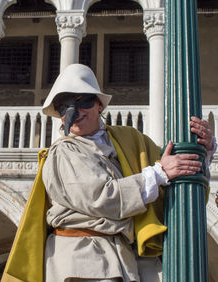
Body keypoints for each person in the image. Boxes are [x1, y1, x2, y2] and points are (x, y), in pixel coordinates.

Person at [39, 64, 216, 282]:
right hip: (82, 259)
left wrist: (202, 151)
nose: (73, 112)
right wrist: (159, 174)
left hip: (123, 257)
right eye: (63, 106)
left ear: (99, 105)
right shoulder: (64, 151)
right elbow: (101, 198)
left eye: (81, 101)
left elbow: (176, 175)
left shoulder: (129, 139)